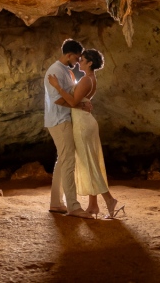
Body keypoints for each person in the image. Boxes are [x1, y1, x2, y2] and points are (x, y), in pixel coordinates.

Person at [48, 49, 124, 219]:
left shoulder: (85, 80)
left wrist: (57, 86)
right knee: (90, 162)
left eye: (82, 60)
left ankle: (110, 200)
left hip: (82, 125)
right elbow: (80, 100)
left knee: (89, 163)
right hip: (85, 121)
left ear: (90, 63)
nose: (79, 62)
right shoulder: (90, 79)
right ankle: (93, 206)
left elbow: (73, 101)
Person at [44, 38, 94, 219]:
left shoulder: (64, 70)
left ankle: (56, 203)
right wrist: (77, 106)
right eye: (77, 58)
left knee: (62, 161)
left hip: (61, 119)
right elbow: (56, 98)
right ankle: (73, 206)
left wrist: (80, 105)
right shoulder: (56, 70)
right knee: (68, 163)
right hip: (59, 120)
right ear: (69, 55)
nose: (77, 61)